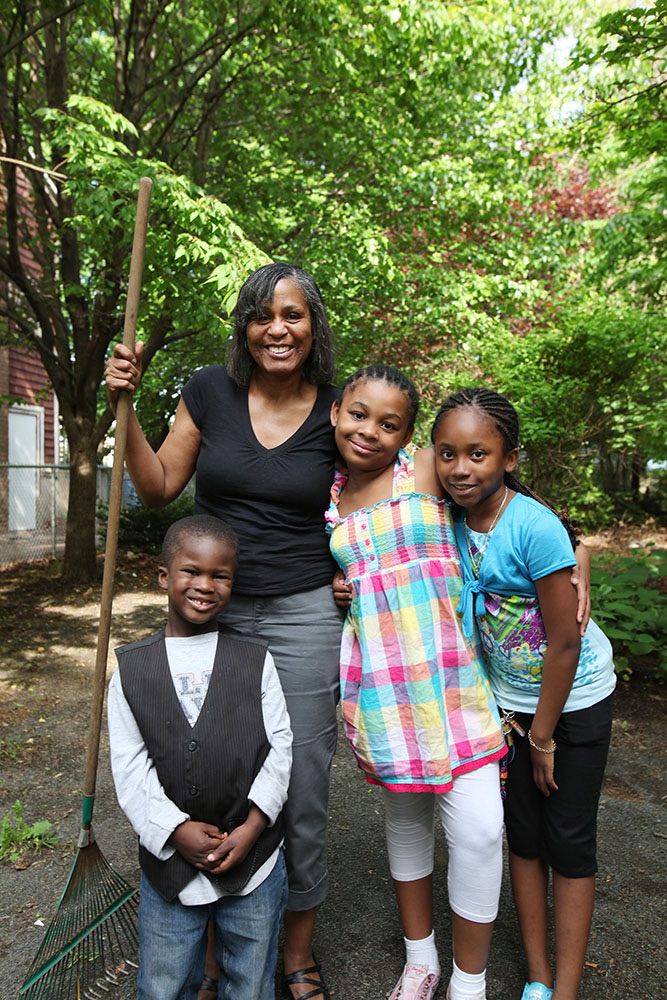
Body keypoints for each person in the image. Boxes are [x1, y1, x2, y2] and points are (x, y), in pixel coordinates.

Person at [105, 263, 343, 1000]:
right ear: (243, 327)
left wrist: (562, 548)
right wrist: (126, 405)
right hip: (215, 607)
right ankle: (210, 945)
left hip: (304, 611)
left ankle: (293, 950)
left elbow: (401, 483)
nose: (278, 328)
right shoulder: (209, 390)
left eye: (294, 314)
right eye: (263, 315)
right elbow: (155, 489)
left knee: (298, 783)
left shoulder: (339, 408)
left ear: (313, 326)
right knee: (202, 769)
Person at [326, 364, 509, 1000]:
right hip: (384, 690)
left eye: (389, 423)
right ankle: (421, 959)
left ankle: (470, 980)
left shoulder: (429, 467)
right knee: (406, 824)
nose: (369, 430)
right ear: (336, 414)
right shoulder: (332, 499)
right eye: (358, 414)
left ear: (409, 435)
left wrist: (575, 554)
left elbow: (511, 501)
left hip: (455, 683)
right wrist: (338, 587)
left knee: (482, 831)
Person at [431, 388, 616, 1000]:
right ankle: (536, 976)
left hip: (573, 701)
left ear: (509, 458)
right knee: (525, 837)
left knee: (569, 839)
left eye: (478, 454)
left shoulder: (531, 526)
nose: (461, 468)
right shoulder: (448, 516)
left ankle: (564, 990)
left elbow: (563, 645)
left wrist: (541, 737)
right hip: (506, 705)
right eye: (448, 453)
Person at [107, 514, 293, 1000]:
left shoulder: (256, 658)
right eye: (191, 571)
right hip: (170, 868)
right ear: (165, 577)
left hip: (253, 862)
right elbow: (130, 767)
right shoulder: (132, 670)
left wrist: (253, 827)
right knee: (163, 983)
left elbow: (280, 746)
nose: (205, 585)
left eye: (220, 575)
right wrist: (174, 830)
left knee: (250, 982)